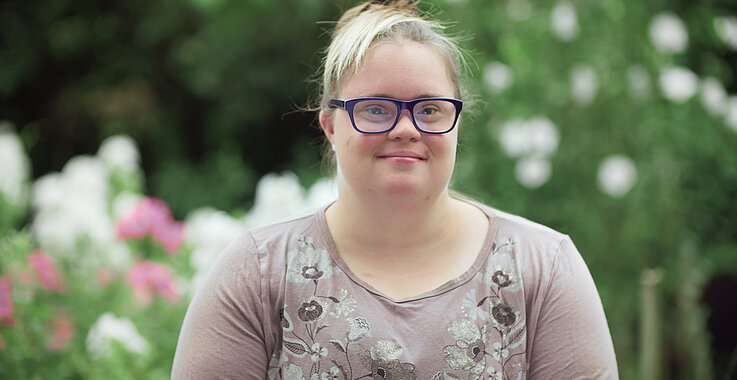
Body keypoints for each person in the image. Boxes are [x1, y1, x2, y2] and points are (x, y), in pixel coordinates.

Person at [171, 1, 619, 379]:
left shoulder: (543, 270)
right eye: (376, 109)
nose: (406, 128)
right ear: (330, 124)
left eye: (429, 109)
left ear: (457, 123)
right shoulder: (258, 274)